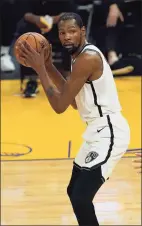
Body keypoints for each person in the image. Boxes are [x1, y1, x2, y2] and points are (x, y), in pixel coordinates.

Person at [18, 12, 130, 226]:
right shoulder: (77, 57)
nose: (66, 36)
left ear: (82, 32)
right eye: (62, 33)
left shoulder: (87, 58)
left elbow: (59, 106)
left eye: (71, 31)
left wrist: (40, 68)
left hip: (110, 131)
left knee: (81, 197)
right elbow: (74, 102)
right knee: (74, 192)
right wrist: (49, 65)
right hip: (96, 131)